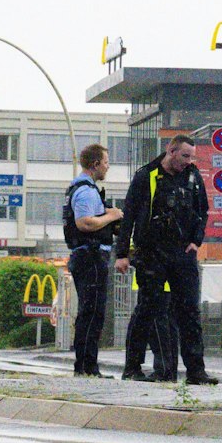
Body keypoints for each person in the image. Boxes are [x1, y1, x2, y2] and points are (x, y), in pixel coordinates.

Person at [115, 134, 217, 385]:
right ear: (171, 151)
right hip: (151, 253)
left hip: (183, 253)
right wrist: (122, 254)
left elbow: (202, 210)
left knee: (189, 311)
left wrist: (196, 240)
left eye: (192, 157)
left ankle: (196, 371)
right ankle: (133, 367)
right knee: (148, 308)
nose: (188, 161)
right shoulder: (146, 176)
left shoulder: (193, 176)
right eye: (185, 156)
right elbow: (129, 215)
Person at [63, 144, 123, 377]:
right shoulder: (87, 191)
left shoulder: (79, 188)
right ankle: (87, 367)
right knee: (93, 312)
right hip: (91, 255)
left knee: (90, 311)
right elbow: (85, 222)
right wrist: (112, 215)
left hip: (86, 255)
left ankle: (85, 365)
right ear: (96, 164)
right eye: (106, 162)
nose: (108, 166)